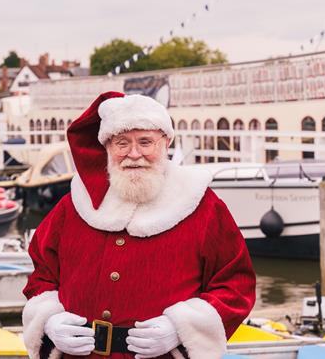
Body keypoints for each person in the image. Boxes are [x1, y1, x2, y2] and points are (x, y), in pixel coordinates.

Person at [22, 92, 256, 359]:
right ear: (107, 147)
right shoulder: (74, 204)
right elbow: (41, 273)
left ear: (166, 143)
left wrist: (181, 328)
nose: (134, 154)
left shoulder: (203, 206)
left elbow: (235, 285)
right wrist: (49, 319)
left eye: (146, 142)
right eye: (122, 143)